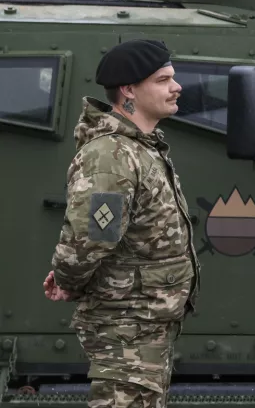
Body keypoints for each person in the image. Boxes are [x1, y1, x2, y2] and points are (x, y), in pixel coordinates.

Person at [43, 39, 200, 408]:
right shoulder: (111, 156)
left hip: (144, 328)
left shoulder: (141, 148)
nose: (176, 87)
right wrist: (67, 281)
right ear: (129, 90)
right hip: (125, 329)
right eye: (163, 80)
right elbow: (89, 239)